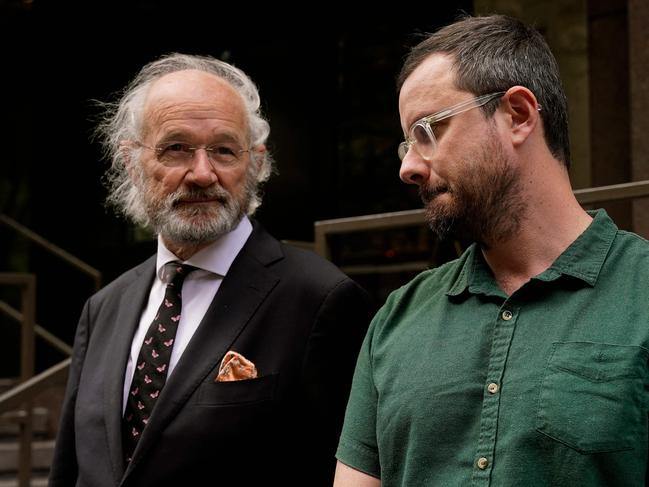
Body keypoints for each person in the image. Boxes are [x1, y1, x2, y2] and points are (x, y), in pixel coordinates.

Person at [334, 14, 649, 487]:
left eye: (428, 130)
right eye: (406, 143)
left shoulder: (640, 291)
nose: (409, 167)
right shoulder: (396, 318)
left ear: (518, 114)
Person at [48, 53, 372, 487]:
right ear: (131, 162)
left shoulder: (320, 299)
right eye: (176, 148)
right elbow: (70, 470)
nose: (202, 174)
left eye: (223, 150)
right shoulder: (103, 307)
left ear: (254, 163)